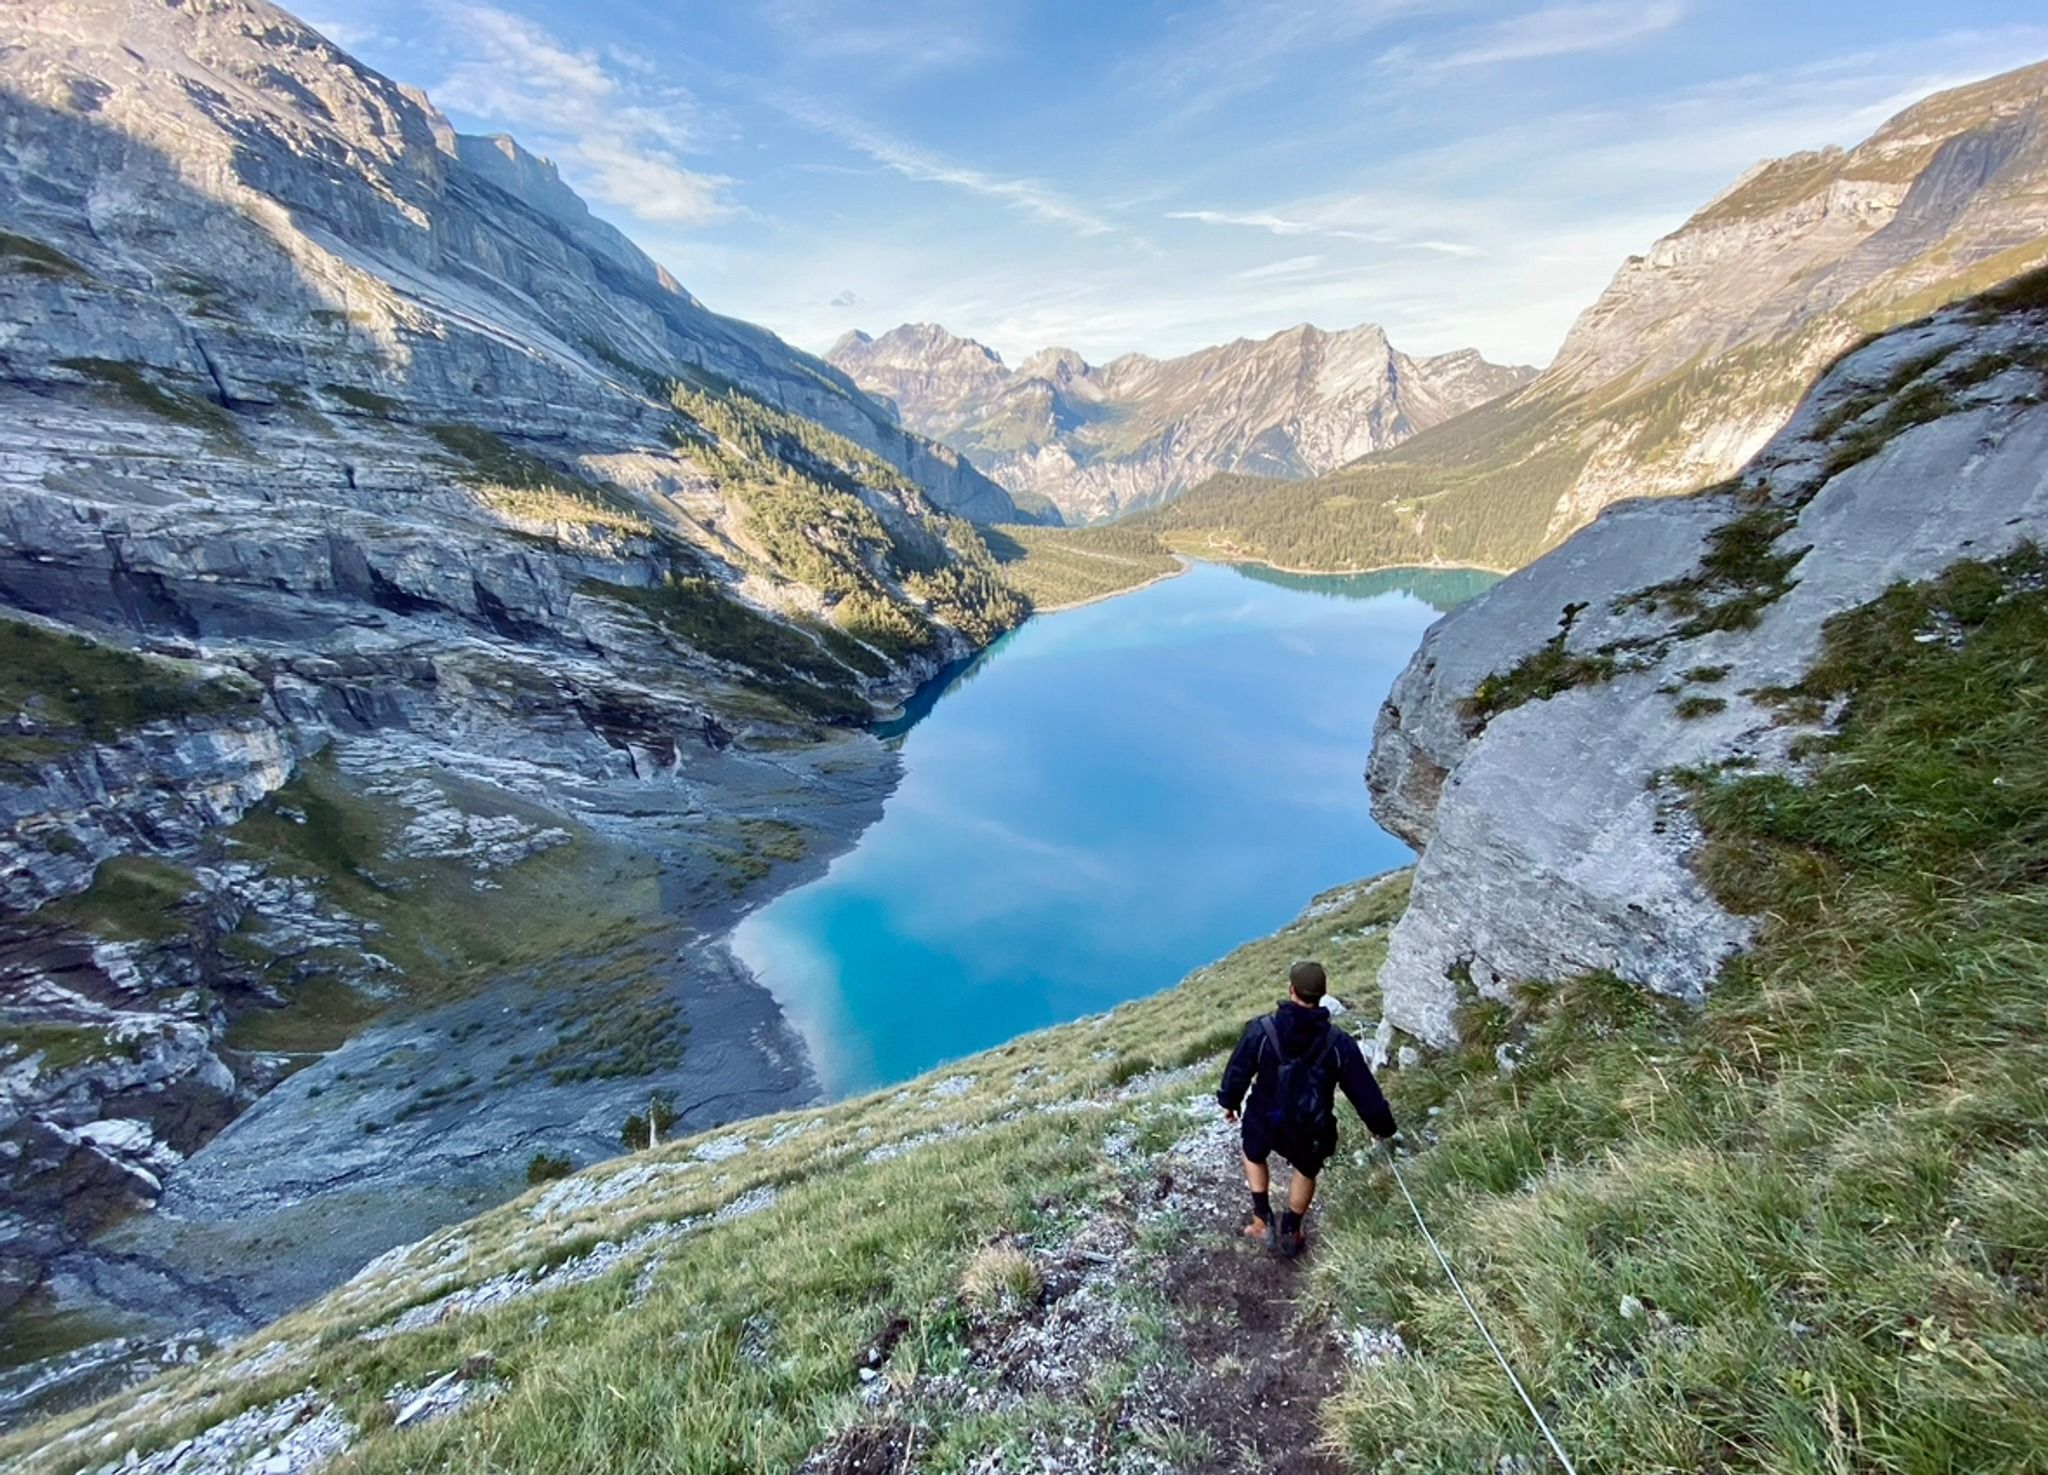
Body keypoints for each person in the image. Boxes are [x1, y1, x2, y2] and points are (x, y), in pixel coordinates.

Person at [1218, 959, 1397, 1258]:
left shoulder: (1261, 1030)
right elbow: (1365, 1093)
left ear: (1291, 989)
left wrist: (1229, 1102)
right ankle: (1292, 1229)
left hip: (1265, 1116)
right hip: (1310, 1125)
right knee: (1305, 1169)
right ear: (1321, 996)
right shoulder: (1339, 1044)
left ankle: (1262, 1221)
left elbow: (1238, 1070)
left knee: (1252, 1153)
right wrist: (1382, 1127)